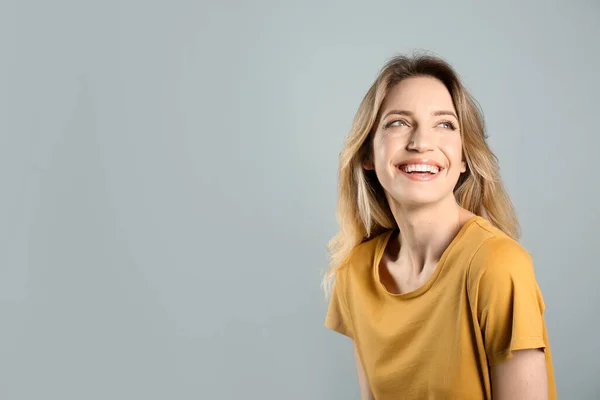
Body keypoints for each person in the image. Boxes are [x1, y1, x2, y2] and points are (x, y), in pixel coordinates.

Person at [322, 53, 556, 399]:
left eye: (444, 124)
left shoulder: (497, 265)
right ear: (367, 154)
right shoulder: (355, 272)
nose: (421, 143)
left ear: (464, 158)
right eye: (398, 123)